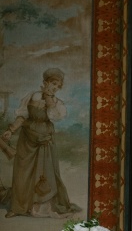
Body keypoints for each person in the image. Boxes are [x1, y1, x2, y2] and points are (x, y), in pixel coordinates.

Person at [1, 68, 80, 218]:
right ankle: (18, 207)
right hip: (26, 138)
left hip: (44, 140)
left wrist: (49, 97)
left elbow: (54, 116)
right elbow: (22, 116)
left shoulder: (57, 104)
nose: (55, 88)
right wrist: (11, 130)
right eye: (53, 83)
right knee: (21, 172)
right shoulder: (32, 96)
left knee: (44, 173)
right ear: (45, 82)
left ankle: (40, 207)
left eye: (58, 86)